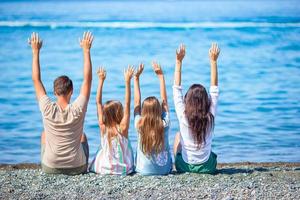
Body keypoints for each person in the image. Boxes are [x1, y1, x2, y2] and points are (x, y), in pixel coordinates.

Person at [29, 31, 94, 175]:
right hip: (77, 167)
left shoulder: (47, 108)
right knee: (82, 136)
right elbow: (87, 80)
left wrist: (35, 52)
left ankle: (51, 162)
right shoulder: (78, 108)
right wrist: (86, 50)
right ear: (71, 91)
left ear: (54, 92)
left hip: (50, 167)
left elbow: (36, 80)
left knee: (44, 135)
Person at [173, 43, 220, 174]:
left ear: (187, 100)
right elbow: (214, 90)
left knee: (178, 136)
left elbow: (176, 90)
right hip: (208, 167)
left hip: (184, 167)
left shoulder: (183, 116)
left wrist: (178, 61)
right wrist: (213, 61)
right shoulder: (210, 116)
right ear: (206, 101)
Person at [89, 66, 135, 175]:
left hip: (105, 169)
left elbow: (98, 103)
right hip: (124, 170)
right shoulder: (123, 128)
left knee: (100, 153)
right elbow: (128, 103)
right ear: (120, 113)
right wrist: (127, 82)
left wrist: (101, 81)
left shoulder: (103, 127)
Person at [134, 62, 172, 175]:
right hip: (164, 171)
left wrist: (136, 78)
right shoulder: (165, 124)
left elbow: (136, 102)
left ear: (143, 111)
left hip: (142, 170)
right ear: (159, 110)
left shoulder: (139, 125)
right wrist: (161, 77)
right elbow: (164, 102)